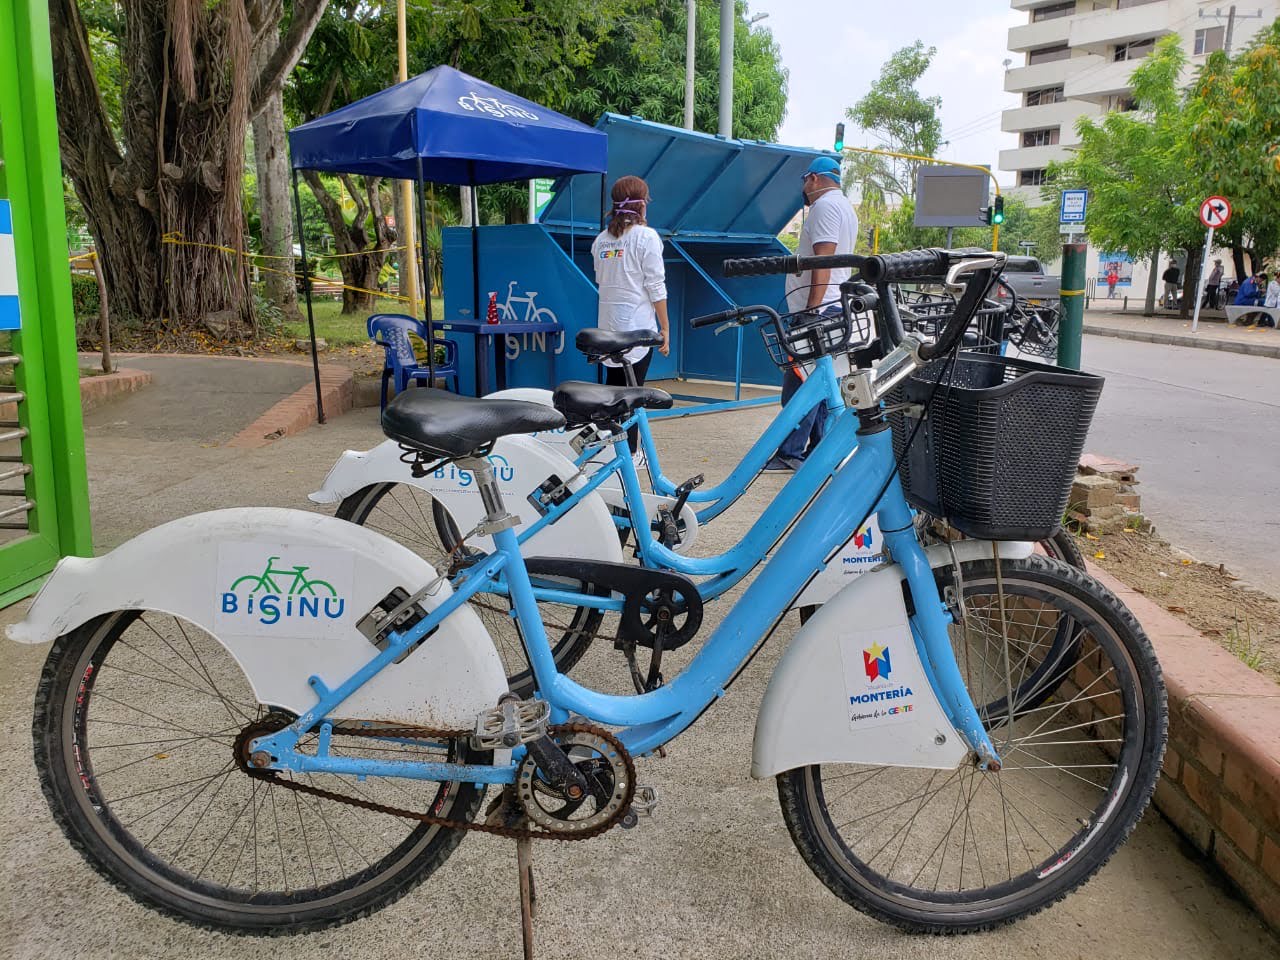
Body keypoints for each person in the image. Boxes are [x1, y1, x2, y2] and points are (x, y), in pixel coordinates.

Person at [763, 156, 859, 473]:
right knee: (822, 382)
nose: (803, 187)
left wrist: (810, 309)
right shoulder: (844, 206)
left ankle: (790, 452)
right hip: (834, 306)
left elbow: (823, 262)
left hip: (821, 308)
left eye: (805, 179)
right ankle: (819, 449)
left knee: (801, 385)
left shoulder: (825, 207)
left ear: (815, 179)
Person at [591, 175, 670, 462]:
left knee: (614, 392)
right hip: (636, 331)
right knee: (634, 393)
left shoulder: (601, 240)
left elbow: (602, 280)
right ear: (642, 205)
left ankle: (615, 450)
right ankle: (632, 453)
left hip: (608, 330)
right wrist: (665, 326)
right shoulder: (646, 237)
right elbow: (655, 286)